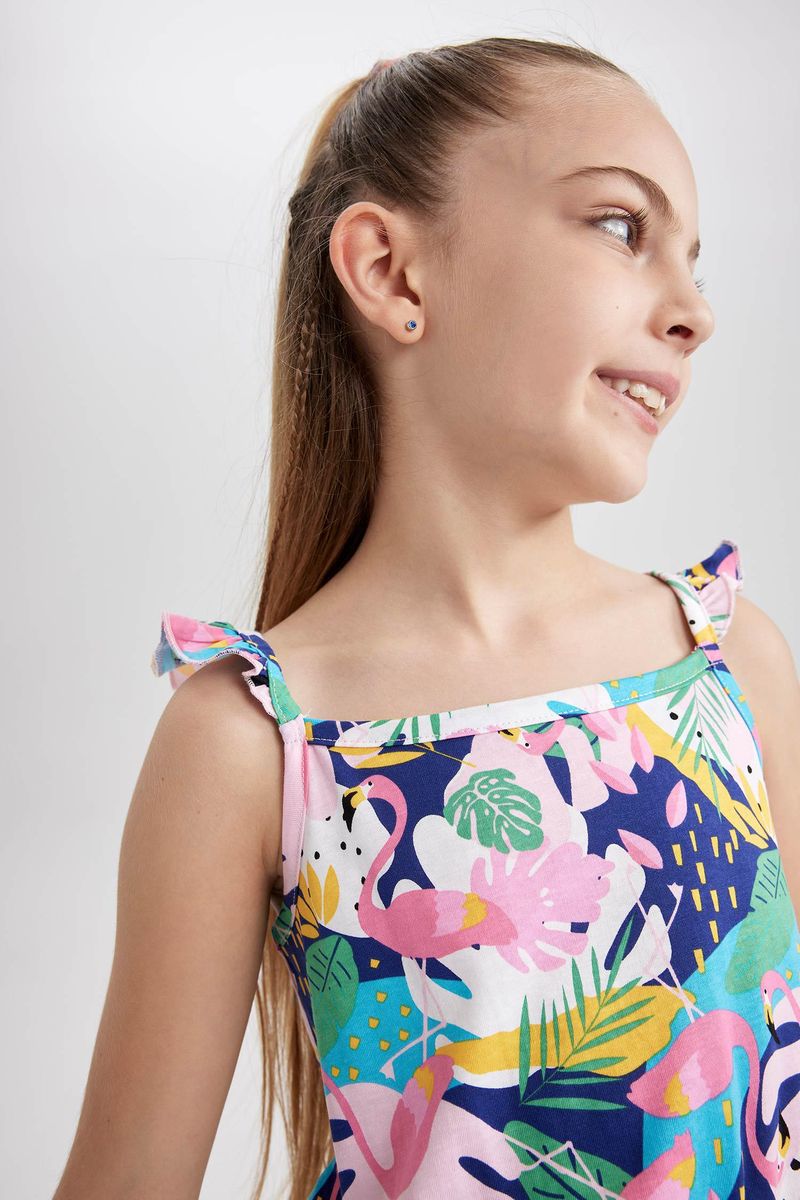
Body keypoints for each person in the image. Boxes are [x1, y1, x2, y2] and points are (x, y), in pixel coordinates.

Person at [53, 35, 800, 1200]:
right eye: (619, 226)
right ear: (393, 273)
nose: (693, 311)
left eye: (693, 262)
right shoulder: (254, 741)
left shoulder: (727, 661)